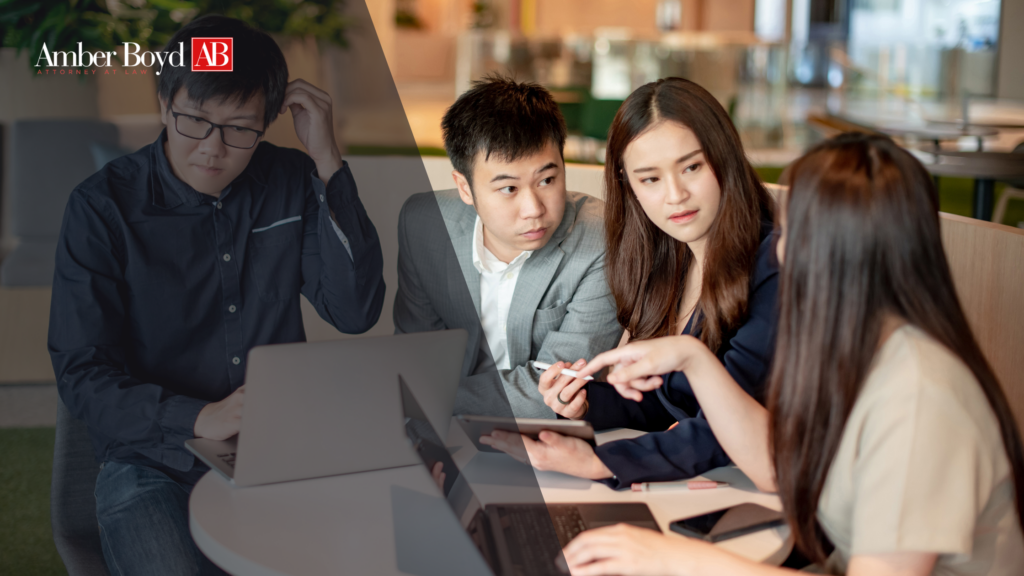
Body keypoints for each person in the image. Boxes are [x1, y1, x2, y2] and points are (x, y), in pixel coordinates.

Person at [563, 133, 1024, 576]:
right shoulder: (857, 354)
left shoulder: (922, 398)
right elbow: (774, 470)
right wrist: (691, 356)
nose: (777, 249)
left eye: (791, 231)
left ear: (840, 254)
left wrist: (677, 560)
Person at [48, 16, 385, 575]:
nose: (212, 148)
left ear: (268, 122)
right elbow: (82, 372)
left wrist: (328, 162)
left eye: (239, 128)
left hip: (276, 454)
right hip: (149, 462)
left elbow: (354, 312)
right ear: (163, 102)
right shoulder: (101, 207)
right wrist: (198, 417)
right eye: (194, 121)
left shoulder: (291, 178)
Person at [481, 77, 778, 488]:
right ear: (630, 186)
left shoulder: (774, 265)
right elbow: (666, 403)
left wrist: (598, 462)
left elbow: (728, 424)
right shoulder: (671, 261)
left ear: (725, 158)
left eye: (691, 167)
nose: (675, 195)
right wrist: (586, 403)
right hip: (702, 487)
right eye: (650, 179)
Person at [393, 75, 622, 418]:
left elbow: (558, 387)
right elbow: (417, 353)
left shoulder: (602, 238)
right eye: (508, 189)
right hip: (438, 431)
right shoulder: (424, 224)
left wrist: (426, 399)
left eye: (547, 180)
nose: (534, 209)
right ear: (465, 188)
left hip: (546, 437)